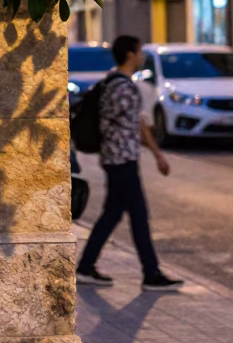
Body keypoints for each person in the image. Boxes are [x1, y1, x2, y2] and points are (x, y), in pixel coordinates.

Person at [76, 35, 183, 292]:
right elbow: (136, 123)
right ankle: (151, 273)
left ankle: (87, 266)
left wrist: (156, 153)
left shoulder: (114, 83)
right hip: (122, 160)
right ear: (130, 54)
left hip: (116, 159)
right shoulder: (123, 87)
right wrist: (157, 154)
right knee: (137, 216)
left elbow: (132, 122)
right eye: (139, 51)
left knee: (114, 214)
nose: (142, 55)